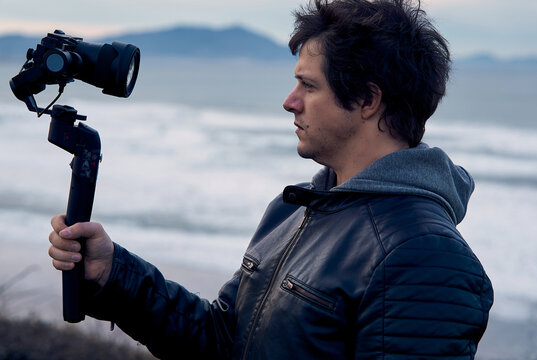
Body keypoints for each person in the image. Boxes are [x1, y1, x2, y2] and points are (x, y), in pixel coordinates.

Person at [48, 0, 494, 358]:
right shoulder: (296, 208)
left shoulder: (423, 256)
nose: (289, 101)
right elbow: (223, 340)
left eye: (309, 86)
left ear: (368, 99)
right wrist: (114, 274)